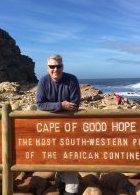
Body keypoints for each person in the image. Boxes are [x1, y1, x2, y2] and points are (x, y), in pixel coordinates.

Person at [37, 54, 81, 195]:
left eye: (58, 66)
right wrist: (61, 105)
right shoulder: (43, 81)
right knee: (55, 156)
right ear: (47, 68)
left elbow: (75, 105)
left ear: (63, 66)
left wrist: (52, 108)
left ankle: (67, 183)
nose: (55, 69)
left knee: (69, 160)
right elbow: (40, 104)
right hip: (50, 129)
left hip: (69, 130)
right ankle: (60, 177)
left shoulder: (72, 79)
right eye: (52, 66)